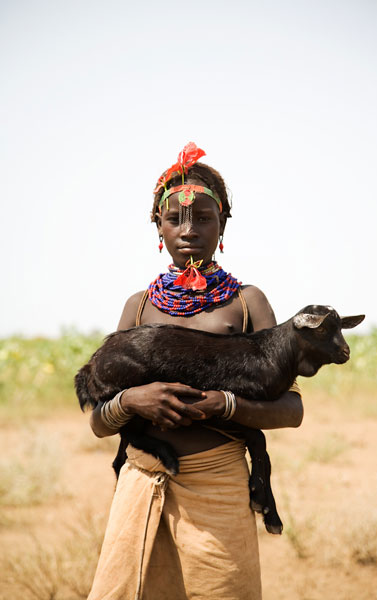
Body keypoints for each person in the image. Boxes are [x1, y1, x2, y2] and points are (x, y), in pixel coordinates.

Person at [87, 143, 303, 600]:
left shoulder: (248, 303)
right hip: (142, 481)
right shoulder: (140, 307)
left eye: (203, 217)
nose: (189, 230)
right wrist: (131, 401)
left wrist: (225, 405)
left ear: (223, 223)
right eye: (175, 219)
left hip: (219, 485)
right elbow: (97, 421)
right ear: (157, 226)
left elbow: (291, 409)